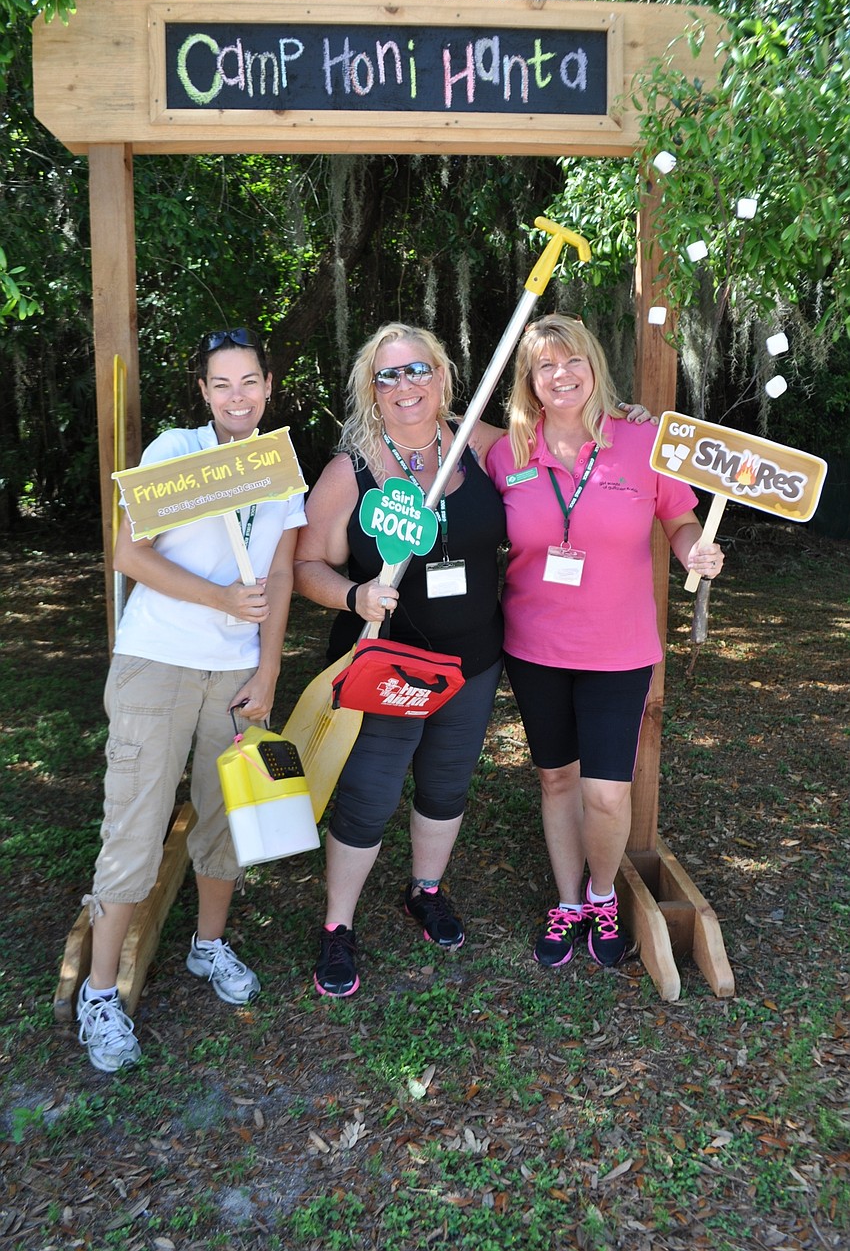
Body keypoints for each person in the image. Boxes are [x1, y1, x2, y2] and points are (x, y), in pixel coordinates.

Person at [76, 327, 306, 1073]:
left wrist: (268, 669)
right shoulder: (176, 453)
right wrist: (216, 598)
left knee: (224, 823)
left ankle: (209, 947)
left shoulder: (280, 468)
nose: (237, 397)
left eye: (249, 382)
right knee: (135, 832)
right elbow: (129, 553)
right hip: (158, 664)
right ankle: (101, 994)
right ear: (204, 393)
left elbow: (278, 578)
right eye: (222, 385)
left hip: (234, 678)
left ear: (269, 387)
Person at [485, 314, 724, 970]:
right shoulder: (508, 450)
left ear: (594, 367)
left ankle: (602, 897)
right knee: (556, 779)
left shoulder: (643, 439)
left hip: (619, 650)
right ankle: (567, 903)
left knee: (607, 792)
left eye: (573, 362)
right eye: (545, 367)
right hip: (533, 647)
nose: (560, 376)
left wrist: (693, 551)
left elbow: (679, 516)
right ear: (530, 382)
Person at [293, 323, 510, 996]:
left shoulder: (482, 444)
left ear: (443, 376)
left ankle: (426, 890)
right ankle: (337, 926)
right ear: (371, 389)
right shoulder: (350, 468)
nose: (405, 385)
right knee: (369, 794)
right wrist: (355, 594)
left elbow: (567, 438)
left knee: (446, 786)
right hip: (385, 666)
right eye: (388, 375)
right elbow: (305, 564)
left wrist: (622, 417)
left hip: (472, 663)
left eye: (417, 370)